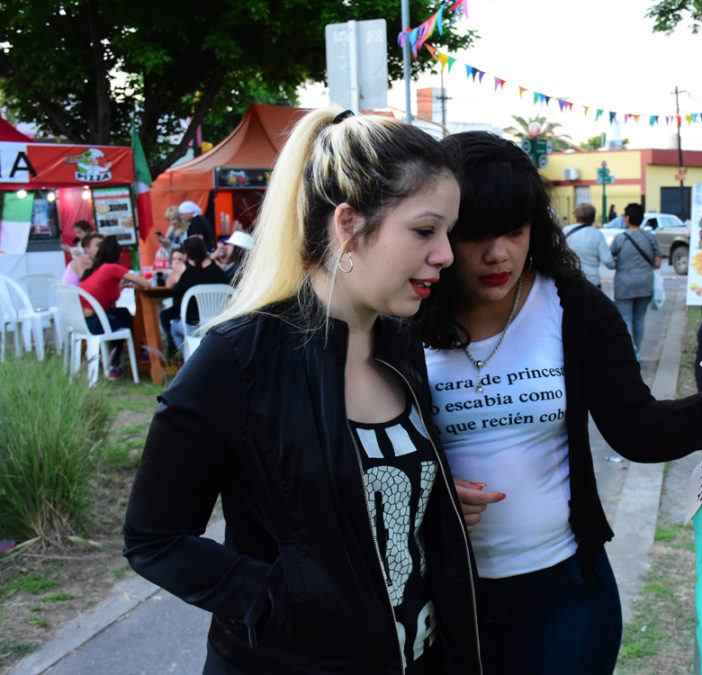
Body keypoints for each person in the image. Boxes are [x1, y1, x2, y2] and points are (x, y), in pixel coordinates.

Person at [122, 107, 481, 674]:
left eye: (448, 233)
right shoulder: (237, 359)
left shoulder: (402, 344)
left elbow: (350, 491)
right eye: (424, 230)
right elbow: (152, 537)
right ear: (348, 225)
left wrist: (425, 498)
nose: (446, 254)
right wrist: (281, 600)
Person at [411, 131, 702, 675]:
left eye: (514, 230)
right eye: (475, 234)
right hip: (440, 597)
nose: (498, 254)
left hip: (563, 589)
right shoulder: (402, 313)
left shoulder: (570, 303)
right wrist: (434, 488)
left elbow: (634, 426)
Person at [79, 235, 152, 379]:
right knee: (121, 321)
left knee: (122, 313)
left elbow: (105, 294)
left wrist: (120, 286)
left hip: (82, 322)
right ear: (116, 253)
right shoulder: (112, 268)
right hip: (95, 323)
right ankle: (123, 359)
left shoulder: (95, 270)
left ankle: (136, 352)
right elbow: (146, 283)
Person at [610, 203, 661, 356]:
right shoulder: (650, 237)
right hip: (645, 282)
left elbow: (610, 261)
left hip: (624, 283)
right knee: (639, 318)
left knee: (625, 318)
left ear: (627, 219)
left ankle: (631, 351)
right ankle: (637, 349)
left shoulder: (619, 239)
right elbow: (657, 264)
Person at [165, 236, 230, 355]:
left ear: (187, 254)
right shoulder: (218, 271)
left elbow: (173, 291)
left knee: (174, 328)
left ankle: (189, 360)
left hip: (193, 327)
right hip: (220, 324)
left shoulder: (187, 274)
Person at [563, 203, 614, 288]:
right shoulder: (597, 234)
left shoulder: (565, 231)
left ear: (575, 216)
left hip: (570, 278)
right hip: (592, 281)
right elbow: (607, 260)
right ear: (593, 218)